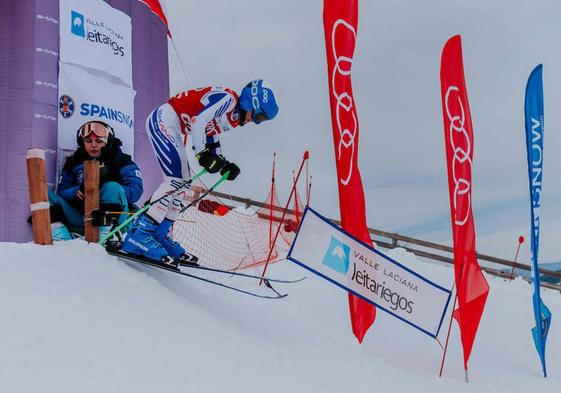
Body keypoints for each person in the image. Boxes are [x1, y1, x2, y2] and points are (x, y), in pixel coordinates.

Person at [120, 79, 279, 264]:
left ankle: (159, 233)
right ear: (251, 103)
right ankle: (139, 234)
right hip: (163, 120)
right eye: (259, 117)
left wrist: (222, 162)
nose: (256, 122)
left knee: (184, 183)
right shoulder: (228, 100)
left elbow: (210, 132)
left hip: (174, 128)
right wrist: (201, 154)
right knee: (174, 180)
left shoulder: (234, 118)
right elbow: (199, 121)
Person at [49, 121, 143, 237]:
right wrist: (75, 192)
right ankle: (61, 239)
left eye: (99, 141)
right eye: (88, 141)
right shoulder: (73, 162)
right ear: (82, 143)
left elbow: (136, 190)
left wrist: (101, 190)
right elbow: (61, 192)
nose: (93, 145)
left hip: (113, 217)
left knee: (112, 187)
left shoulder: (121, 160)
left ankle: (107, 235)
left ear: (108, 142)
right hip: (82, 217)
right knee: (45, 194)